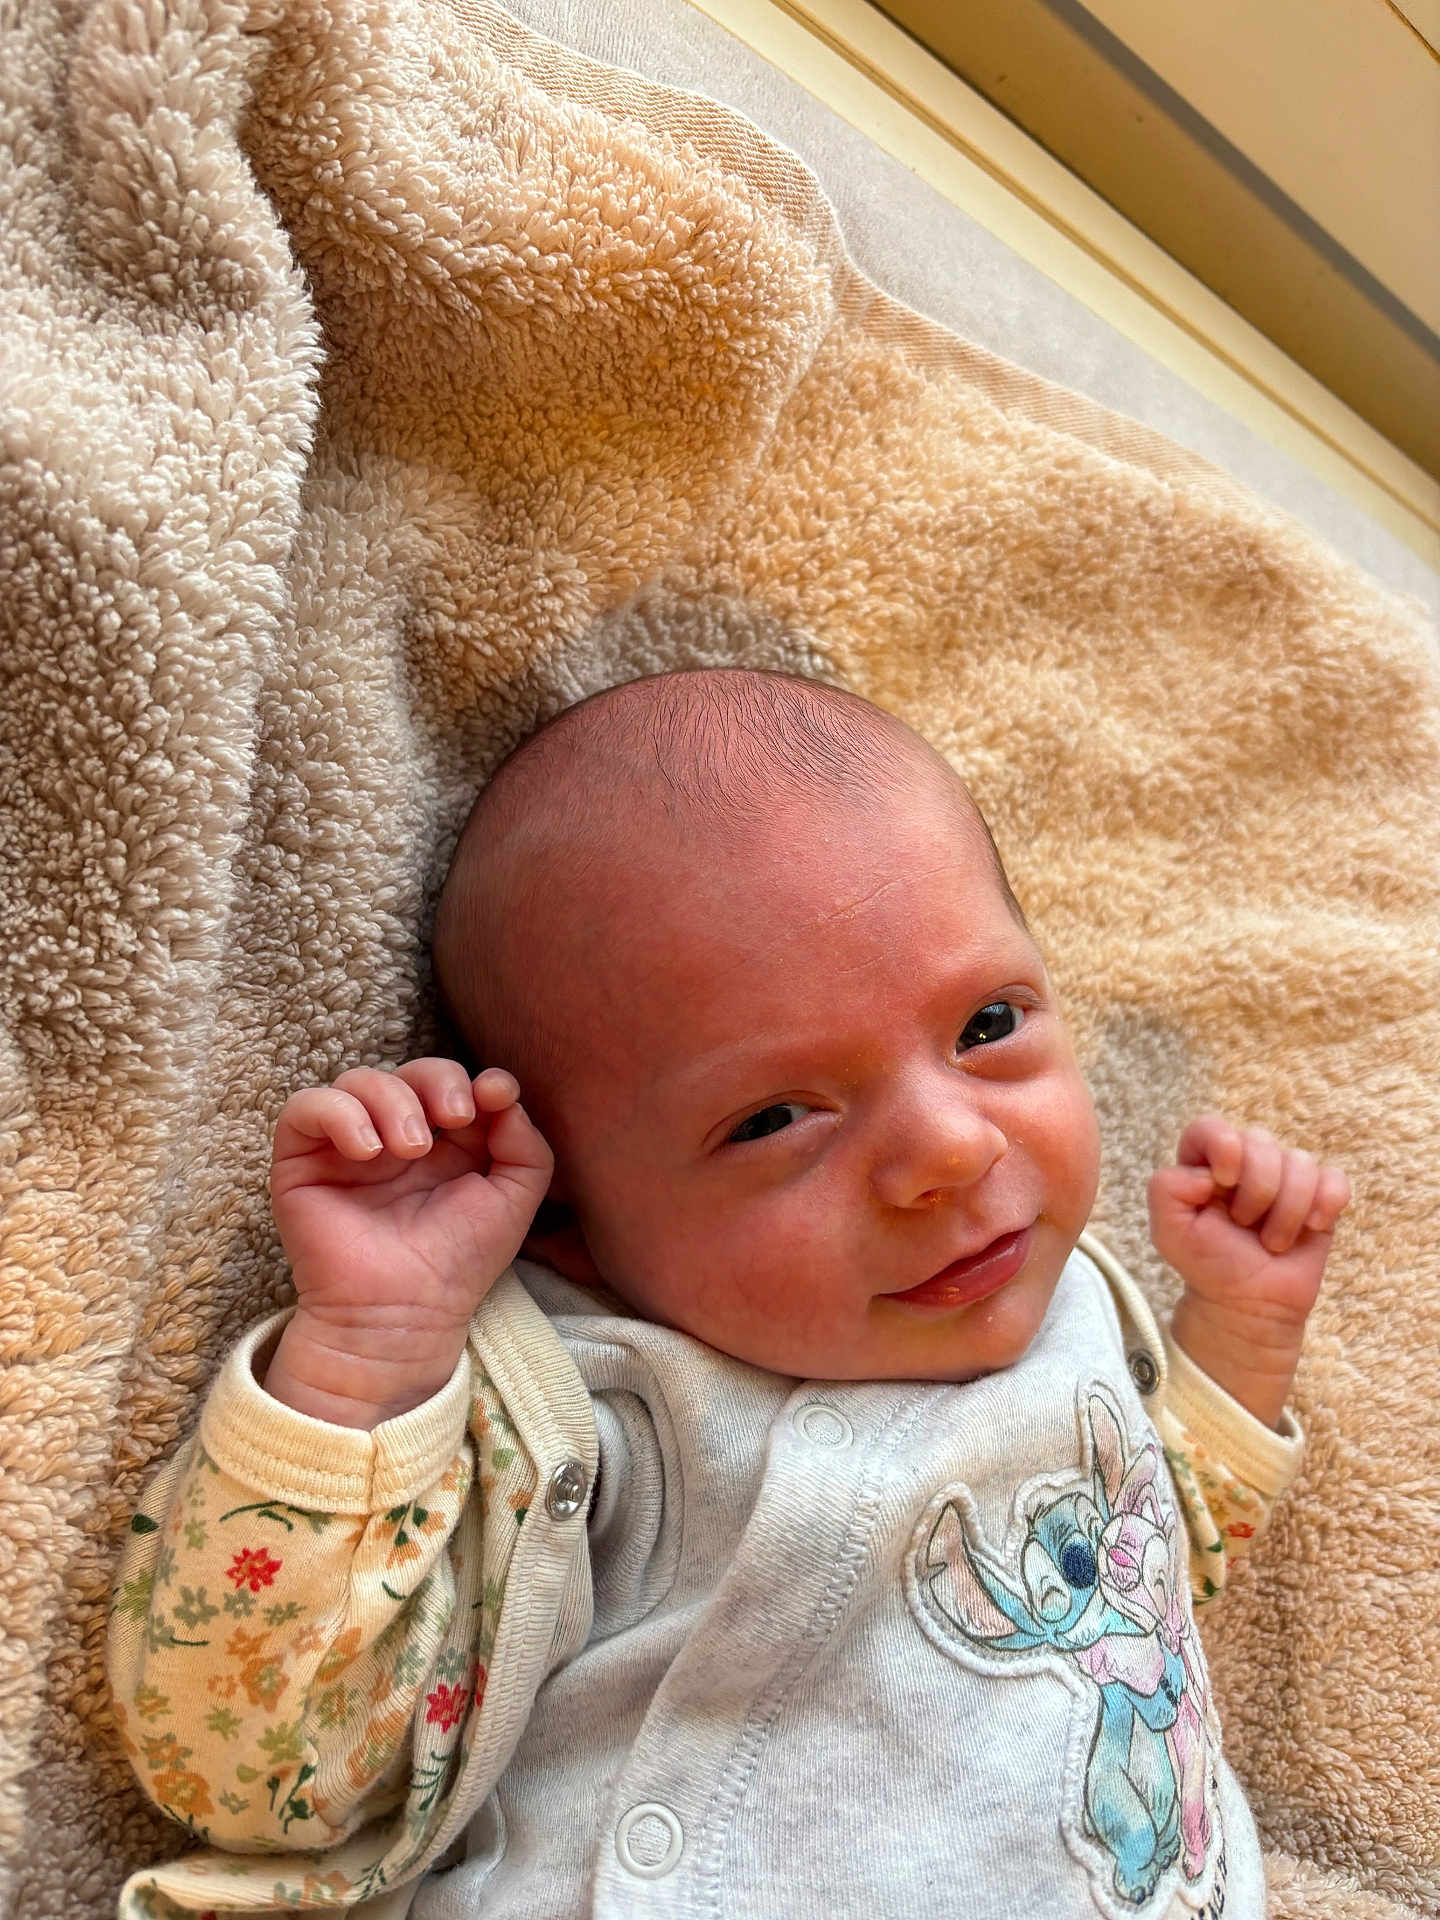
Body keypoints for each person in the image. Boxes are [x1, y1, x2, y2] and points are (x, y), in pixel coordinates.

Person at [108, 669, 1350, 1920]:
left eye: (986, 1024)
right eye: (771, 1118)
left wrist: (1240, 1334)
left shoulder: (1071, 1312)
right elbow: (262, 1771)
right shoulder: (585, 1421)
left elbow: (1146, 1583)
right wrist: (369, 1353)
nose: (954, 1152)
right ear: (573, 1225)